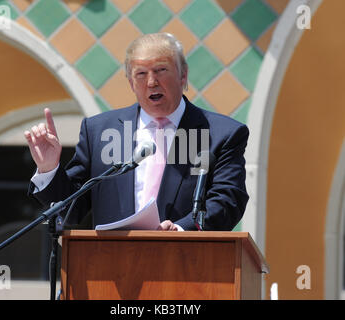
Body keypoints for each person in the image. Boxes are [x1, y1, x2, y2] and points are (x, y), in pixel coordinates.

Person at [25, 33, 249, 231]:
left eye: (161, 70)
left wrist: (181, 229)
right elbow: (72, 209)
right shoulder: (99, 131)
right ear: (131, 83)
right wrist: (49, 169)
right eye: (141, 74)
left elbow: (228, 200)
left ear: (183, 76)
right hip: (113, 268)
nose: (152, 82)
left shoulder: (222, 134)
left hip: (186, 264)